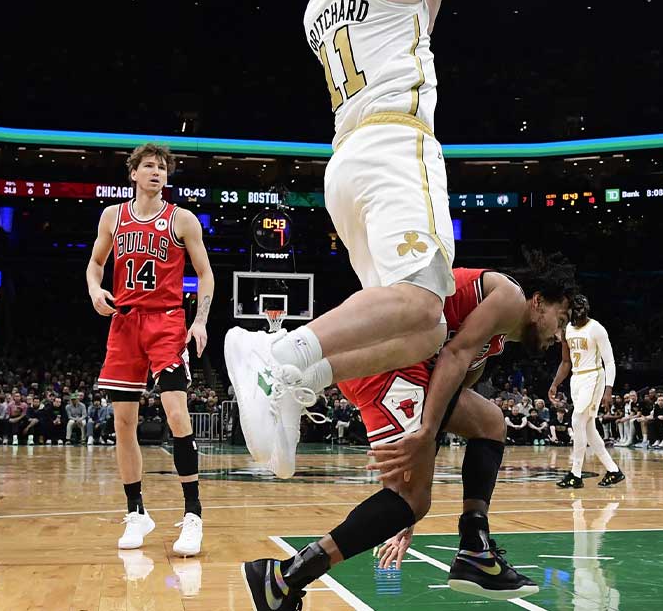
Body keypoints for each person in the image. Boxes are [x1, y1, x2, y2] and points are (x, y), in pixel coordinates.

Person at [225, 0, 519, 479]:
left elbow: (415, 24)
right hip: (395, 146)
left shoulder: (318, 5)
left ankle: (300, 376)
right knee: (418, 303)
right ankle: (278, 355)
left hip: (348, 163)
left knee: (421, 331)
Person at [241, 256, 577, 610]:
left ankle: (475, 547)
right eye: (562, 319)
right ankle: (283, 578)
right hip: (385, 365)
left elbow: (446, 395)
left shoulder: (492, 341)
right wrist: (424, 443)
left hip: (398, 371)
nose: (560, 335)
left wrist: (406, 513)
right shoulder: (509, 296)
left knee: (489, 423)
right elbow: (451, 356)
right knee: (410, 499)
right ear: (538, 302)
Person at [84, 143, 217, 555]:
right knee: (123, 422)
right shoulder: (113, 217)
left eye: (162, 167)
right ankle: (136, 511)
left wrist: (199, 321)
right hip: (124, 323)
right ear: (134, 174)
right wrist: (94, 289)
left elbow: (205, 273)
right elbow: (95, 264)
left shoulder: (182, 219)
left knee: (177, 413)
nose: (156, 172)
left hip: (166, 322)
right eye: (149, 166)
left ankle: (192, 515)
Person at [549, 293, 624, 489]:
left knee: (576, 420)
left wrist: (609, 389)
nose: (580, 313)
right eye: (577, 309)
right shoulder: (567, 331)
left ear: (588, 309)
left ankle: (575, 474)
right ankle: (613, 470)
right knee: (588, 428)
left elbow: (609, 361)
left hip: (594, 377)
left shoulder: (596, 329)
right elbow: (566, 362)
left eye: (584, 309)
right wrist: (555, 383)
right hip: (577, 378)